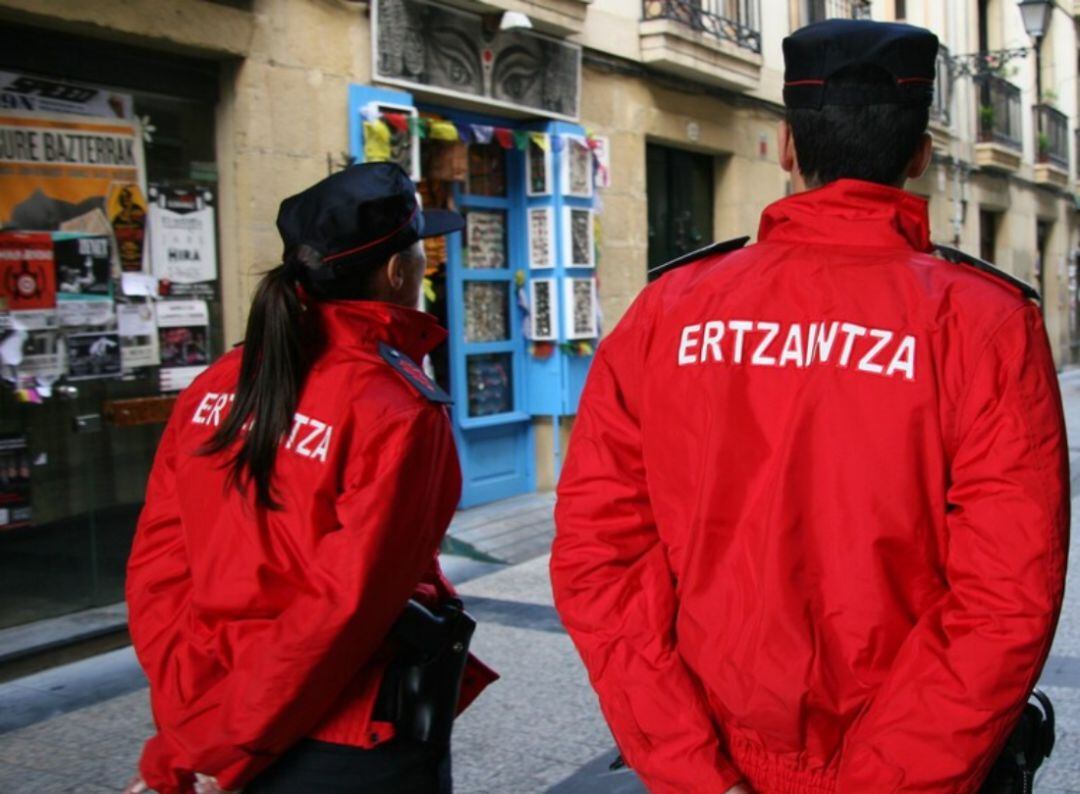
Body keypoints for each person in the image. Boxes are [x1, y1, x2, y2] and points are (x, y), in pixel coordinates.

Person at [551, 19, 1069, 794]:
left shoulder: (670, 310)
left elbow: (600, 558)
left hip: (711, 764)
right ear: (920, 154)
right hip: (905, 769)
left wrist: (691, 768)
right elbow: (1006, 598)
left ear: (788, 147)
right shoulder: (986, 323)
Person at [123, 162, 496, 794]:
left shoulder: (216, 383)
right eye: (421, 257)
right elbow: (342, 609)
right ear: (398, 273)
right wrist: (219, 749)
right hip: (340, 739)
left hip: (224, 719)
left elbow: (158, 570)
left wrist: (192, 735)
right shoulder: (398, 409)